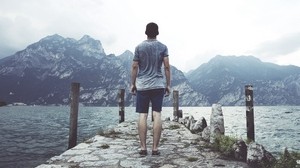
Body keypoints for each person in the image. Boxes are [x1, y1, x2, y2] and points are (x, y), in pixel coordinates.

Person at [131, 22, 171, 156]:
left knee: (143, 115)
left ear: (146, 32)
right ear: (157, 32)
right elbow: (166, 67)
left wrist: (133, 84)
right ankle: (155, 149)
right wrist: (168, 84)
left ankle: (143, 148)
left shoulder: (139, 47)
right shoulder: (163, 47)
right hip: (158, 85)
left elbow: (134, 67)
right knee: (157, 114)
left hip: (142, 86)